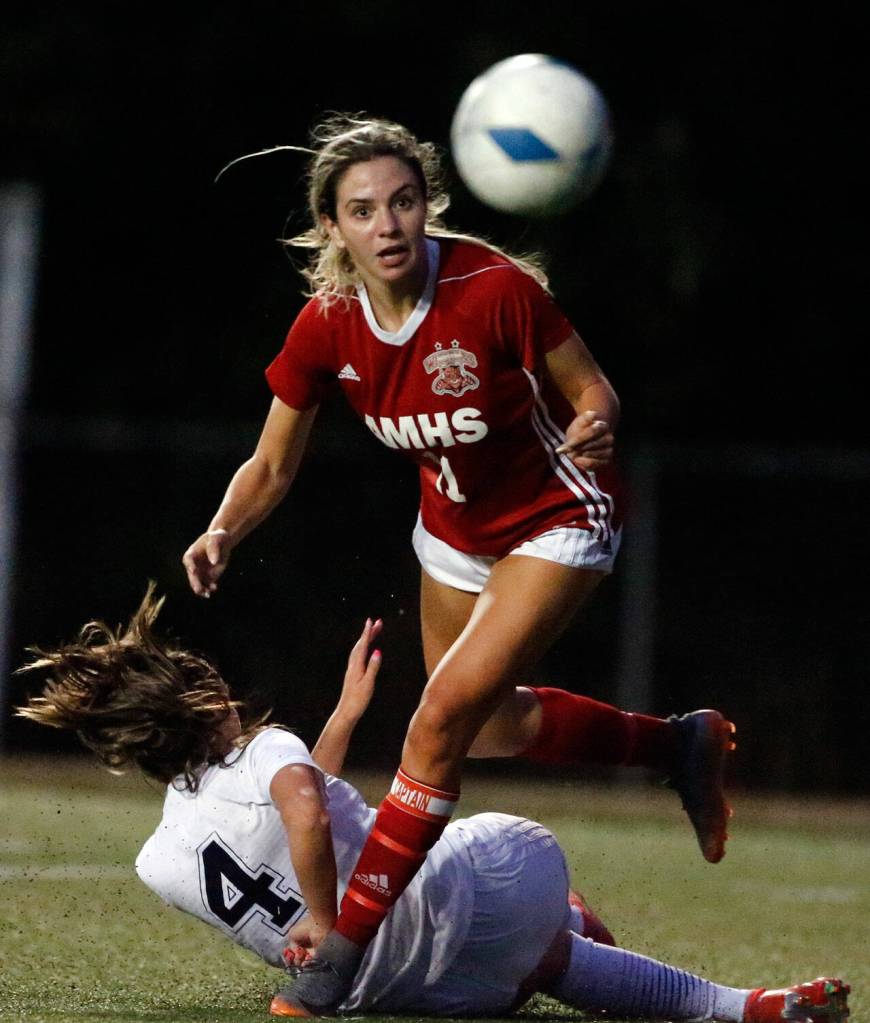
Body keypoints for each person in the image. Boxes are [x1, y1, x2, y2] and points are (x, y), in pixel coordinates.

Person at [181, 113, 737, 1012]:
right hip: (453, 530)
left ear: (426, 205)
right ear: (334, 227)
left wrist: (598, 421)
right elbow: (273, 462)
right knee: (487, 730)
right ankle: (677, 742)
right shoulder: (328, 325)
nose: (389, 224)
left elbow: (590, 385)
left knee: (437, 719)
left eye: (404, 202)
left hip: (562, 510)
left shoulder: (493, 288)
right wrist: (222, 530)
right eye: (364, 210)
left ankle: (339, 956)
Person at [16, 589, 847, 1023]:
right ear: (199, 704)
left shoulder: (155, 862)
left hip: (420, 991)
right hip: (467, 906)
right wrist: (324, 917)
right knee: (512, 862)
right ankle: (589, 924)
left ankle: (741, 1007)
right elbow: (302, 807)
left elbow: (284, 811)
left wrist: (342, 716)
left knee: (543, 957)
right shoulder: (268, 754)